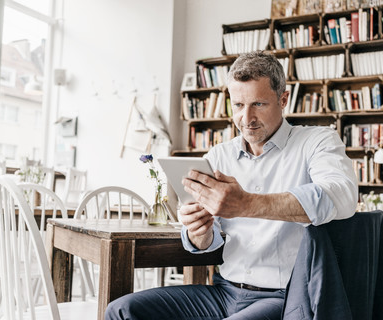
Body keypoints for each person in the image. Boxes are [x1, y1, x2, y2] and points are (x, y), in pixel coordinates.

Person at [105, 51, 358, 320]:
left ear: (283, 99)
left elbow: (342, 196)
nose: (246, 118)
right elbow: (206, 241)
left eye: (258, 104)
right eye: (238, 105)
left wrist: (248, 204)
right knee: (121, 310)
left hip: (284, 297)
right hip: (224, 291)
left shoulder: (317, 141)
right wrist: (197, 232)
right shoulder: (218, 156)